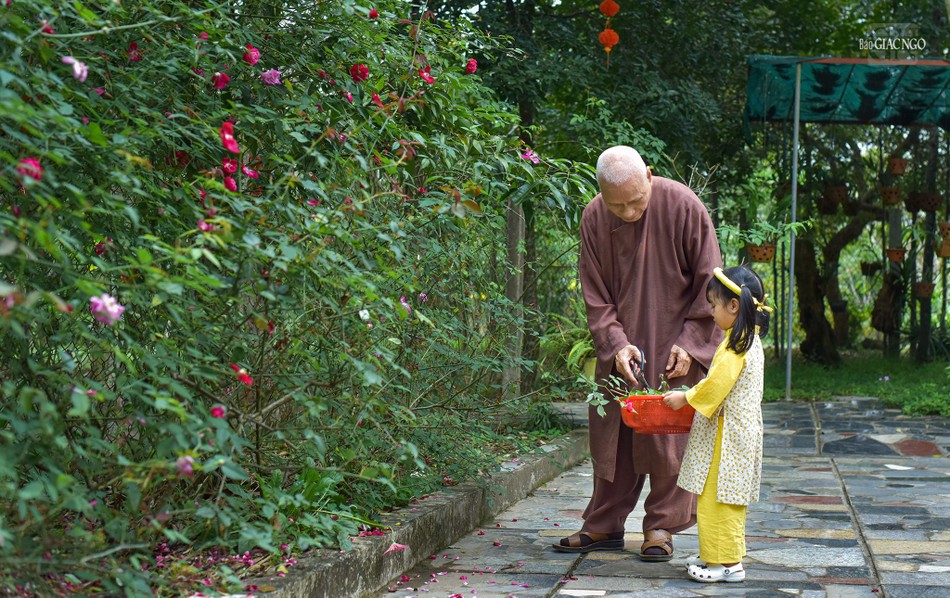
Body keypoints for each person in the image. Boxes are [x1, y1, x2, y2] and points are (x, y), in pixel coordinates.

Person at [553, 145, 723, 561]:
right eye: (619, 206)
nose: (629, 213)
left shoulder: (684, 206)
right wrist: (614, 343)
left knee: (669, 435)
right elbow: (594, 294)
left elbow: (712, 285)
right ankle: (603, 525)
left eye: (636, 202)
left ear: (649, 175)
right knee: (613, 434)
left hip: (675, 344)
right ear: (601, 195)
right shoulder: (595, 216)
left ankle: (661, 527)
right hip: (622, 345)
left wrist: (691, 343)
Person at [662, 265, 771, 583]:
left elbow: (716, 385)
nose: (710, 312)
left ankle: (723, 565)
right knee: (729, 498)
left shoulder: (736, 346)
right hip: (739, 433)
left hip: (729, 435)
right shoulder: (747, 338)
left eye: (713, 305)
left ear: (733, 306)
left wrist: (686, 397)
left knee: (716, 497)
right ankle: (722, 556)